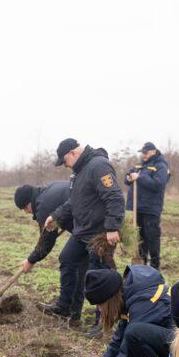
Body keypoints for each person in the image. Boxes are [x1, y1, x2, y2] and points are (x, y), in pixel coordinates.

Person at [40, 138, 125, 334]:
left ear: (73, 153)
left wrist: (112, 227)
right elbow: (73, 202)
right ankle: (65, 305)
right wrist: (55, 215)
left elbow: (114, 197)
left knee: (100, 275)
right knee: (67, 259)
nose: (65, 166)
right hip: (82, 231)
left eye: (64, 161)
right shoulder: (78, 173)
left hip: (100, 233)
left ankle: (104, 322)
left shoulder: (98, 166)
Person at [78, 265, 173, 357]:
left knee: (134, 335)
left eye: (99, 304)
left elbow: (128, 350)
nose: (99, 309)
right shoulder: (128, 296)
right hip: (164, 345)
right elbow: (118, 341)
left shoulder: (144, 301)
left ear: (109, 298)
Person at [13, 180, 70, 306]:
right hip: (84, 223)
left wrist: (30, 261)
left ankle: (69, 307)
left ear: (28, 203)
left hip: (92, 224)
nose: (27, 212)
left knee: (71, 260)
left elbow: (45, 243)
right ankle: (69, 308)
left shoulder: (43, 206)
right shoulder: (45, 192)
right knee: (69, 259)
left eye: (24, 208)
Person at [124, 142, 170, 269]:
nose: (143, 155)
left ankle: (155, 266)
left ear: (153, 151)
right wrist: (129, 178)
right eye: (142, 152)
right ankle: (141, 264)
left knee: (152, 237)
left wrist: (138, 178)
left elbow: (158, 184)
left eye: (145, 152)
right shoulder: (140, 165)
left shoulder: (161, 166)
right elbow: (127, 179)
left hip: (150, 209)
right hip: (136, 208)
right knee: (139, 238)